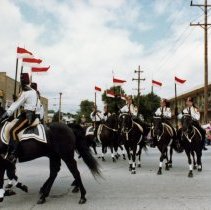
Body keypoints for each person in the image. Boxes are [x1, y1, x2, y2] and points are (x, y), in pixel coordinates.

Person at [0, 73, 38, 162]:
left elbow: (15, 105)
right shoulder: (32, 91)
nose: (21, 84)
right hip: (25, 114)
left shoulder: (25, 93)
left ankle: (13, 153)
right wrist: (17, 98)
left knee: (13, 130)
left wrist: (5, 115)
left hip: (28, 117)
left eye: (22, 82)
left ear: (23, 83)